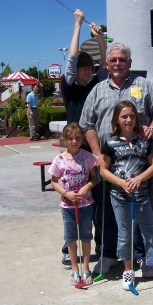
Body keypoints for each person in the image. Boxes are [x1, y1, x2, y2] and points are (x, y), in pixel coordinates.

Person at [79, 42, 153, 276]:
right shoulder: (98, 90)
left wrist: (152, 127)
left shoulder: (144, 86)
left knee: (141, 212)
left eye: (122, 60)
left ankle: (140, 258)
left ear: (129, 63)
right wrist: (97, 153)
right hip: (108, 163)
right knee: (107, 213)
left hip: (138, 165)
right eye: (114, 60)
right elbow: (86, 124)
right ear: (107, 64)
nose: (118, 64)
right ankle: (109, 255)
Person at [100, 100, 153, 298]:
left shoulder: (145, 140)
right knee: (124, 234)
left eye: (132, 116)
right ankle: (128, 271)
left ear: (137, 118)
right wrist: (121, 182)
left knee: (150, 235)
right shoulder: (109, 141)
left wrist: (138, 179)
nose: (128, 119)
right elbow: (103, 170)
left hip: (142, 196)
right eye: (124, 116)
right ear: (117, 118)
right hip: (119, 196)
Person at [60, 9, 107, 268]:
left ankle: (97, 243)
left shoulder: (95, 84)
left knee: (95, 200)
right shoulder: (69, 85)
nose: (87, 73)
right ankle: (68, 248)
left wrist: (98, 36)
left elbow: (106, 61)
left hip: (93, 150)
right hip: (73, 150)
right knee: (71, 199)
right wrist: (77, 24)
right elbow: (72, 57)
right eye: (83, 69)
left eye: (89, 69)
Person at [48, 122, 98, 287]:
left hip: (86, 205)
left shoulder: (87, 157)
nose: (74, 141)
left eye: (77, 138)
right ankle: (74, 268)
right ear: (64, 140)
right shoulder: (59, 159)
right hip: (68, 207)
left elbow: (94, 178)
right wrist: (65, 193)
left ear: (82, 139)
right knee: (70, 238)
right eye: (70, 139)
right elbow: (54, 181)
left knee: (85, 236)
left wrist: (86, 188)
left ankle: (85, 267)